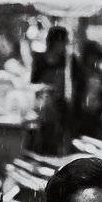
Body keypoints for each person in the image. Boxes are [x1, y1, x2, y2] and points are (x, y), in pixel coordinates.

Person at [31, 26, 71, 154]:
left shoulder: (68, 62)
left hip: (60, 109)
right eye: (61, 42)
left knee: (57, 143)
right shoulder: (40, 60)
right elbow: (34, 83)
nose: (63, 46)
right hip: (43, 108)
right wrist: (46, 89)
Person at [71, 40, 102, 140]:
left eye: (96, 57)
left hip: (96, 117)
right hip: (80, 117)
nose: (94, 60)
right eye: (92, 56)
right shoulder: (78, 73)